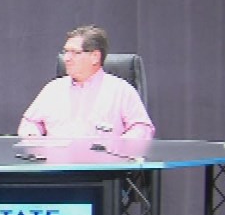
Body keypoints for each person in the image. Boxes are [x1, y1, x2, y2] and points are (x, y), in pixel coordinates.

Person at [17, 25, 155, 139]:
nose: (67, 58)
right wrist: (33, 137)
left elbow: (142, 128)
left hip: (104, 162)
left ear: (95, 57)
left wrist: (120, 146)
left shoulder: (121, 91)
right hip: (57, 162)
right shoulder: (53, 89)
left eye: (74, 52)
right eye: (66, 52)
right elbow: (30, 122)